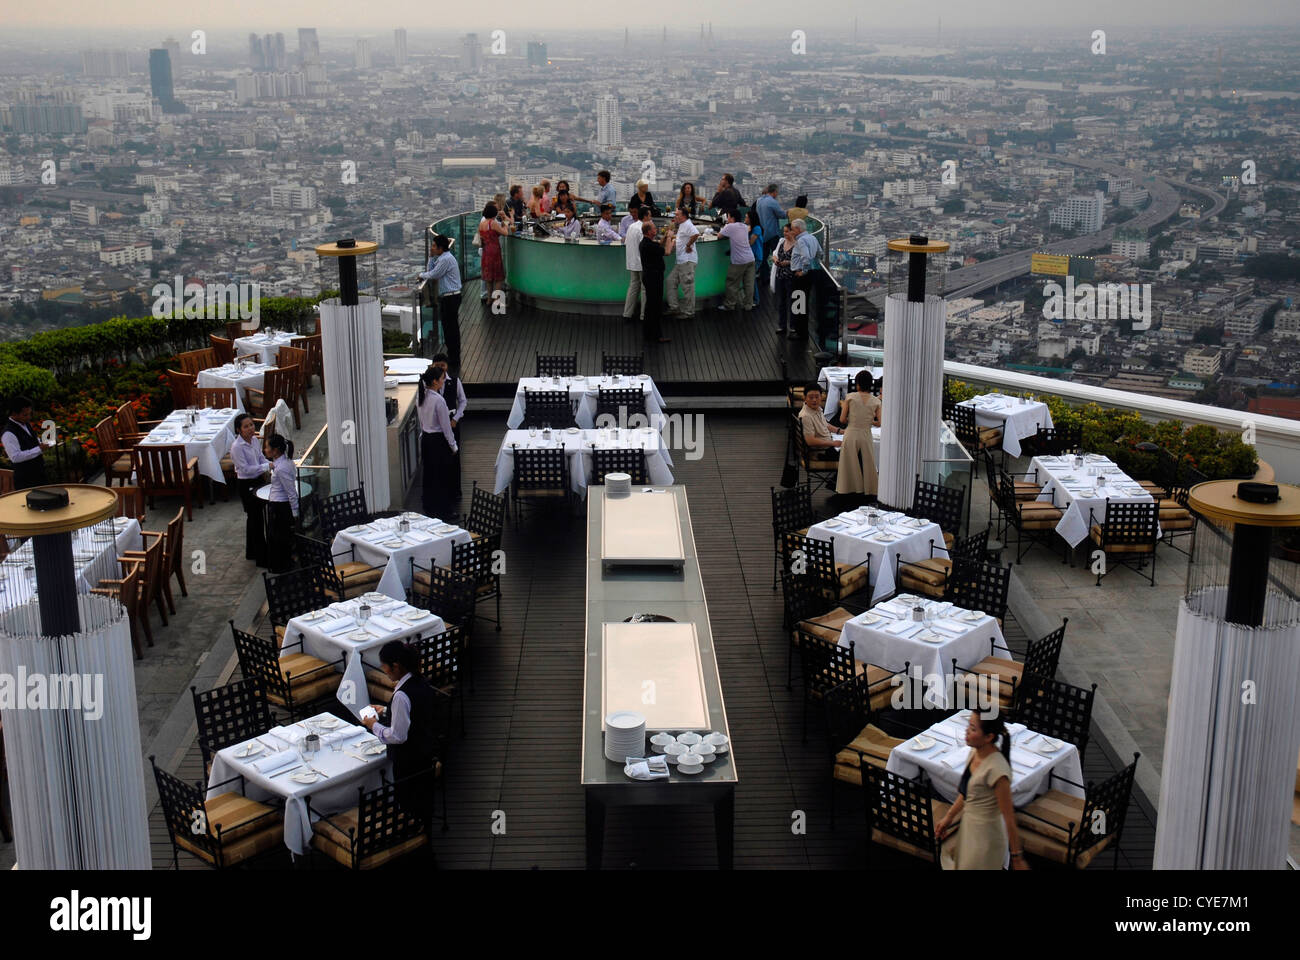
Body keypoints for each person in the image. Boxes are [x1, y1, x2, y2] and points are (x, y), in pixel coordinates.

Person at [935, 712, 1030, 871]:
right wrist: (949, 817)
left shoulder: (998, 770)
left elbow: (1009, 817)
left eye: (972, 728)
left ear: (988, 737)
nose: (966, 731)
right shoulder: (974, 753)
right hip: (970, 830)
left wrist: (1016, 857)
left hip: (986, 839)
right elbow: (967, 793)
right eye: (968, 726)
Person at [362, 640, 439, 820]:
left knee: (407, 802)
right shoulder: (421, 682)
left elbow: (397, 736)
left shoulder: (401, 695)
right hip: (426, 752)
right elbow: (416, 713)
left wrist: (373, 725)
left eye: (384, 666)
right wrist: (387, 711)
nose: (384, 670)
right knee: (421, 799)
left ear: (395, 666)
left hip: (409, 762)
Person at [416, 365, 458, 520]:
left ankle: (429, 506)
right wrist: (453, 446)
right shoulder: (438, 401)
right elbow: (446, 428)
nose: (443, 381)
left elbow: (421, 422)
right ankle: (444, 509)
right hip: (438, 442)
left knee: (429, 474)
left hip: (427, 440)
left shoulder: (421, 396)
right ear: (434, 381)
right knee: (443, 476)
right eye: (441, 379)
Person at [230, 412, 270, 565]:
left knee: (255, 518)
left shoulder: (254, 440)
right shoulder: (237, 447)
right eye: (246, 427)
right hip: (246, 484)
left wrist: (269, 465)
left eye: (251, 425)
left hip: (258, 479)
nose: (250, 429)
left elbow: (260, 457)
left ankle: (252, 552)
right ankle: (261, 557)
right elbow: (246, 469)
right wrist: (266, 466)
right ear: (239, 430)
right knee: (255, 519)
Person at [419, 234, 463, 368]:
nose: (432, 248)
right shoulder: (443, 258)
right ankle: (453, 356)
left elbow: (434, 274)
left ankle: (454, 358)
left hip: (451, 297)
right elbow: (431, 270)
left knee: (451, 329)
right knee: (448, 327)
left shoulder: (445, 260)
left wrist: (420, 275)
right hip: (448, 297)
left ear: (440, 248)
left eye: (434, 246)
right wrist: (431, 257)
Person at [835, 371, 880, 499]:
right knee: (868, 462)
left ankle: (847, 489)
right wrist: (868, 420)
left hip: (852, 432)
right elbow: (880, 422)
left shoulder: (850, 397)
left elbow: (842, 420)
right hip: (865, 433)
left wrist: (854, 419)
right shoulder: (876, 401)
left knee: (848, 462)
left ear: (858, 384)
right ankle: (870, 489)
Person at [431, 353, 466, 498]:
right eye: (437, 365)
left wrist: (456, 418)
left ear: (446, 366)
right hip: (436, 426)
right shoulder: (429, 383)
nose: (440, 368)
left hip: (452, 422)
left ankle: (455, 491)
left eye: (442, 365)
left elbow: (463, 401)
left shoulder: (455, 382)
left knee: (454, 456)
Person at [263, 433, 298, 573]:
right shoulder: (285, 463)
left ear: (275, 450)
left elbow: (291, 491)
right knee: (278, 537)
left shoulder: (282, 468)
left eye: (267, 447)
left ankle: (281, 566)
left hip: (280, 506)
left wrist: (295, 512)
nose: (265, 450)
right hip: (279, 504)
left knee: (278, 539)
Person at [1, 395, 49, 489]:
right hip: (26, 480)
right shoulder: (8, 433)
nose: (29, 417)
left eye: (30, 414)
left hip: (39, 475)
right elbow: (15, 457)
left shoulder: (25, 423)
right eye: (25, 415)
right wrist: (39, 449)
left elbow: (32, 440)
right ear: (14, 414)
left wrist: (41, 443)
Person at [639, 220, 671, 344]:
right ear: (649, 232)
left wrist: (665, 236)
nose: (656, 230)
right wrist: (669, 238)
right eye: (653, 229)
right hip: (654, 278)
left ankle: (648, 334)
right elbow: (667, 251)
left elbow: (658, 245)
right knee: (655, 307)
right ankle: (656, 335)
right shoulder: (649, 246)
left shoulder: (645, 243)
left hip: (649, 277)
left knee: (650, 306)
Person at [717, 209, 755, 312]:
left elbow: (719, 236)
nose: (727, 219)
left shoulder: (730, 226)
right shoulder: (744, 226)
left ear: (732, 218)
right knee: (749, 283)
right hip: (750, 258)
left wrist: (725, 227)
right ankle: (748, 305)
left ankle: (729, 305)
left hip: (739, 260)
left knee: (732, 283)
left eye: (728, 217)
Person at [790, 218, 821, 341]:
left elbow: (806, 257)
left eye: (792, 229)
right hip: (811, 275)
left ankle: (800, 333)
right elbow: (820, 253)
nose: (792, 232)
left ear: (798, 229)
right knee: (803, 302)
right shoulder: (812, 238)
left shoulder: (801, 241)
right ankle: (802, 332)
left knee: (799, 304)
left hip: (800, 276)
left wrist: (803, 271)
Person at [665, 208, 699, 319]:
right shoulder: (682, 225)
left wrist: (688, 245)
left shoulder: (688, 224)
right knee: (670, 281)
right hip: (681, 261)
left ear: (684, 216)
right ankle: (674, 307)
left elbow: (695, 234)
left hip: (687, 261)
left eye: (677, 215)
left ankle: (689, 312)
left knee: (687, 287)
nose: (675, 216)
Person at [478, 201, 512, 306]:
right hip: (494, 251)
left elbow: (487, 237)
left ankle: (489, 299)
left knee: (489, 277)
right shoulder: (492, 223)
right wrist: (505, 224)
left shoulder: (482, 224)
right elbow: (505, 233)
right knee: (498, 277)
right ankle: (497, 300)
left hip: (486, 251)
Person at [756, 183, 783, 297]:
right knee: (778, 256)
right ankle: (779, 279)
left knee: (763, 257)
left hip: (763, 233)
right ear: (775, 192)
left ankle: (765, 278)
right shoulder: (772, 202)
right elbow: (781, 215)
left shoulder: (759, 201)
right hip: (772, 233)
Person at [798, 384, 840, 458]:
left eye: (817, 397)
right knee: (854, 452)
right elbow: (810, 441)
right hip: (820, 452)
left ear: (821, 397)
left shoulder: (817, 408)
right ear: (804, 398)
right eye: (811, 397)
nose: (814, 400)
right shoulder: (806, 416)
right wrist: (832, 443)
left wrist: (840, 431)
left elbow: (825, 425)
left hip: (828, 444)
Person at [623, 203, 647, 320]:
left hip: (632, 262)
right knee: (644, 289)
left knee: (633, 288)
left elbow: (627, 242)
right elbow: (645, 246)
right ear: (646, 216)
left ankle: (627, 313)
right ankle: (644, 315)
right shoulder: (642, 228)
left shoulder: (631, 227)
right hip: (642, 263)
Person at [772, 224, 797, 336]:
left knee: (792, 302)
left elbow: (800, 260)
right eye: (784, 231)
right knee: (782, 302)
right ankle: (782, 325)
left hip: (791, 277)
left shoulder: (797, 245)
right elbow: (775, 254)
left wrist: (789, 262)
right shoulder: (782, 242)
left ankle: (792, 326)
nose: (785, 233)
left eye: (787, 231)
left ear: (792, 232)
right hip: (780, 275)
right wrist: (776, 260)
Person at [746, 208, 764, 308]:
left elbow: (751, 242)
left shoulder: (756, 228)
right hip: (752, 256)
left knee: (751, 278)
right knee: (751, 278)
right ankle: (753, 299)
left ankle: (756, 299)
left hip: (756, 256)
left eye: (747, 217)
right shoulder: (751, 228)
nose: (746, 219)